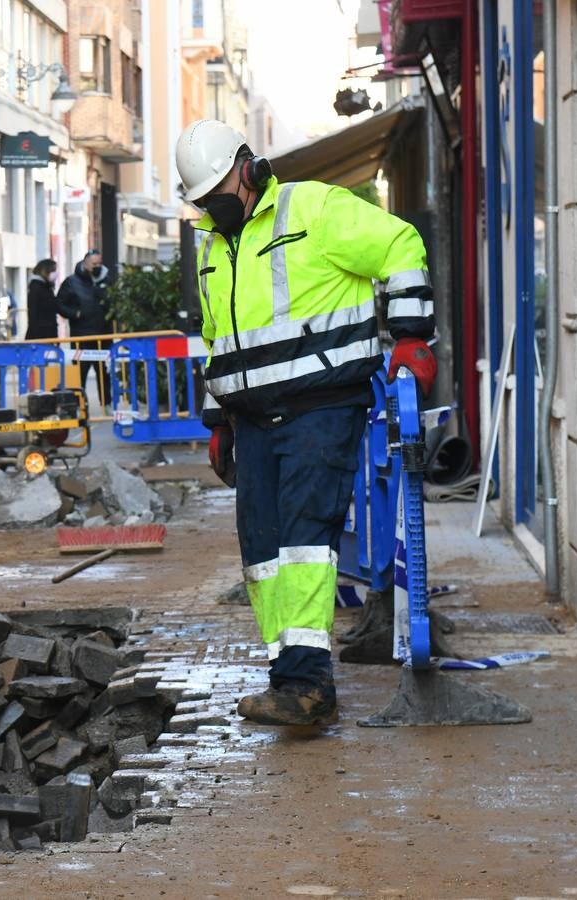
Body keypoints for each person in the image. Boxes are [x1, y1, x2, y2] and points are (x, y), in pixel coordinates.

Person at [177, 119, 436, 726]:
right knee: (262, 550)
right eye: (204, 200)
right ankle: (290, 675)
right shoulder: (217, 244)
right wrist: (219, 421)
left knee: (302, 539)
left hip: (321, 406)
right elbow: (216, 340)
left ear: (248, 170)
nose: (214, 208)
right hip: (253, 420)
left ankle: (308, 684)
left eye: (219, 193)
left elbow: (400, 245)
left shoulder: (313, 208)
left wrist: (411, 335)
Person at [56, 249, 113, 409]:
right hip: (82, 337)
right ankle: (78, 406)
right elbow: (59, 304)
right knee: (79, 374)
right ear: (85, 263)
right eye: (94, 264)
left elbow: (114, 302)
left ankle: (106, 404)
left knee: (104, 374)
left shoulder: (106, 280)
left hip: (103, 337)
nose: (97, 267)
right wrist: (75, 314)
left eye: (99, 264)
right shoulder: (71, 282)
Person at [25, 259, 61, 340]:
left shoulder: (46, 286)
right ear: (45, 271)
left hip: (48, 332)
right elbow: (33, 312)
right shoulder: (36, 287)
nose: (55, 273)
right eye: (53, 270)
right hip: (41, 334)